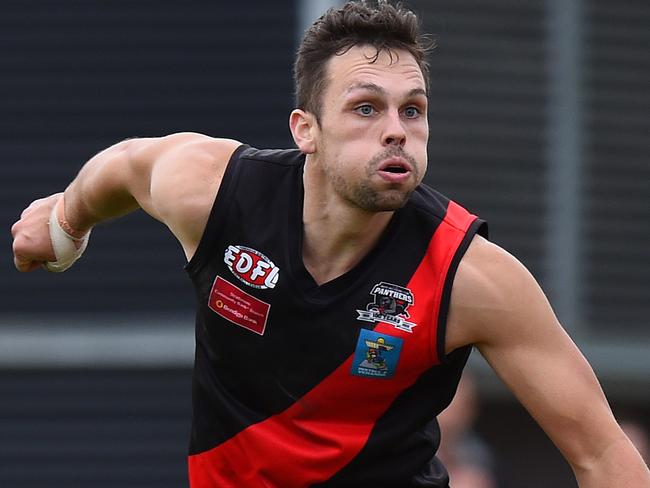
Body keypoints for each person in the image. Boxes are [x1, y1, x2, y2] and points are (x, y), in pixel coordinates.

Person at [10, 2, 650, 487]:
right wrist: (65, 222)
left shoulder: (473, 277)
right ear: (305, 129)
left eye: (413, 110)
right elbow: (124, 165)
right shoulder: (213, 190)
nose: (397, 132)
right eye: (366, 108)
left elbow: (602, 455)